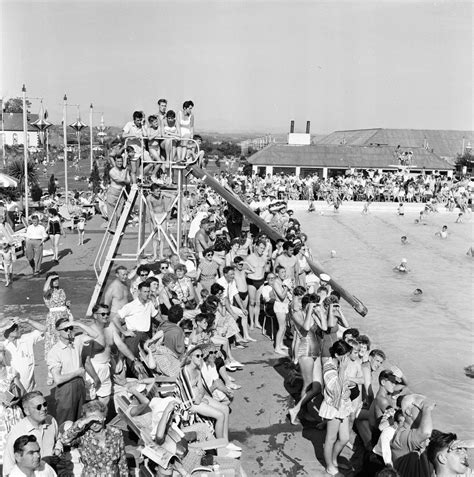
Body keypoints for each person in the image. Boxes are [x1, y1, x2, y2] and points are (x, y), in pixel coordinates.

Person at [46, 318, 97, 425]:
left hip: (79, 384)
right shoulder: (54, 352)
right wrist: (77, 372)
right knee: (66, 421)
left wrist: (77, 323)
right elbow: (58, 379)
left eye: (71, 328)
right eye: (65, 329)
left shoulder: (77, 341)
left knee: (81, 419)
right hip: (66, 388)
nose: (69, 331)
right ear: (57, 331)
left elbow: (95, 335)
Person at [59, 400, 128, 476]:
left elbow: (122, 461)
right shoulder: (84, 435)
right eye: (91, 421)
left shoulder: (115, 432)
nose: (94, 425)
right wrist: (82, 422)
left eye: (97, 420)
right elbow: (64, 440)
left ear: (104, 417)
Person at [3, 391, 60, 477]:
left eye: (45, 404)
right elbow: (8, 466)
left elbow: (58, 439)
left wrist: (58, 448)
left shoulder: (51, 421)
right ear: (27, 411)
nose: (44, 409)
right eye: (38, 407)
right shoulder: (17, 433)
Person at [319, 339, 353, 476]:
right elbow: (335, 391)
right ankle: (329, 466)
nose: (348, 359)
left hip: (342, 406)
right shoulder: (328, 368)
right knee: (331, 439)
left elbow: (344, 385)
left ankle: (334, 460)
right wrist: (343, 370)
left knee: (344, 438)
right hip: (333, 407)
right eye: (346, 356)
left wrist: (348, 391)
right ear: (338, 355)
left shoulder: (338, 364)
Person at [390, 394, 436, 476]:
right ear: (408, 412)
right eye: (421, 408)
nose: (425, 413)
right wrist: (426, 408)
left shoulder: (420, 434)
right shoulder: (400, 436)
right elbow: (425, 433)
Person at [3, 318, 45, 392]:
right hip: (12, 390)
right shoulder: (3, 346)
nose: (15, 328)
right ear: (5, 330)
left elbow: (44, 329)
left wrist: (28, 321)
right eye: (12, 327)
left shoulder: (26, 339)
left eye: (16, 326)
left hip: (30, 388)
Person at [42, 273, 69, 360]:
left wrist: (66, 305)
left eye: (57, 279)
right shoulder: (48, 292)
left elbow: (62, 303)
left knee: (65, 334)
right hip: (54, 317)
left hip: (64, 315)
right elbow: (45, 290)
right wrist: (50, 278)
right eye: (54, 280)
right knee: (54, 336)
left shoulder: (61, 290)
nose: (56, 281)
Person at [146, 184, 174, 261]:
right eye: (157, 191)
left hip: (162, 215)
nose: (159, 192)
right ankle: (155, 255)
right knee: (154, 236)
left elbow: (173, 197)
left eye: (159, 190)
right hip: (154, 216)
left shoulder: (162, 194)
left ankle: (161, 255)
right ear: (152, 192)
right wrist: (154, 222)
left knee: (162, 235)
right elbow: (151, 210)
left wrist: (169, 206)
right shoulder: (149, 198)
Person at [245, 240, 269, 330]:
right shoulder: (249, 258)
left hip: (261, 281)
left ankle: (256, 322)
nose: (262, 250)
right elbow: (245, 271)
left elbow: (264, 270)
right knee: (252, 302)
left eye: (263, 248)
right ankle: (251, 322)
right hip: (252, 281)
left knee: (258, 303)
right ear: (256, 246)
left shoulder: (264, 257)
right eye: (261, 247)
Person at [106, 155, 130, 233]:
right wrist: (125, 180)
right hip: (113, 192)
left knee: (119, 213)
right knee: (111, 211)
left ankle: (117, 227)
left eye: (121, 161)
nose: (120, 163)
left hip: (121, 192)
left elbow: (128, 181)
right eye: (118, 161)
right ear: (115, 162)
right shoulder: (112, 171)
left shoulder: (124, 170)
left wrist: (125, 179)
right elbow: (119, 180)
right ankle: (112, 228)